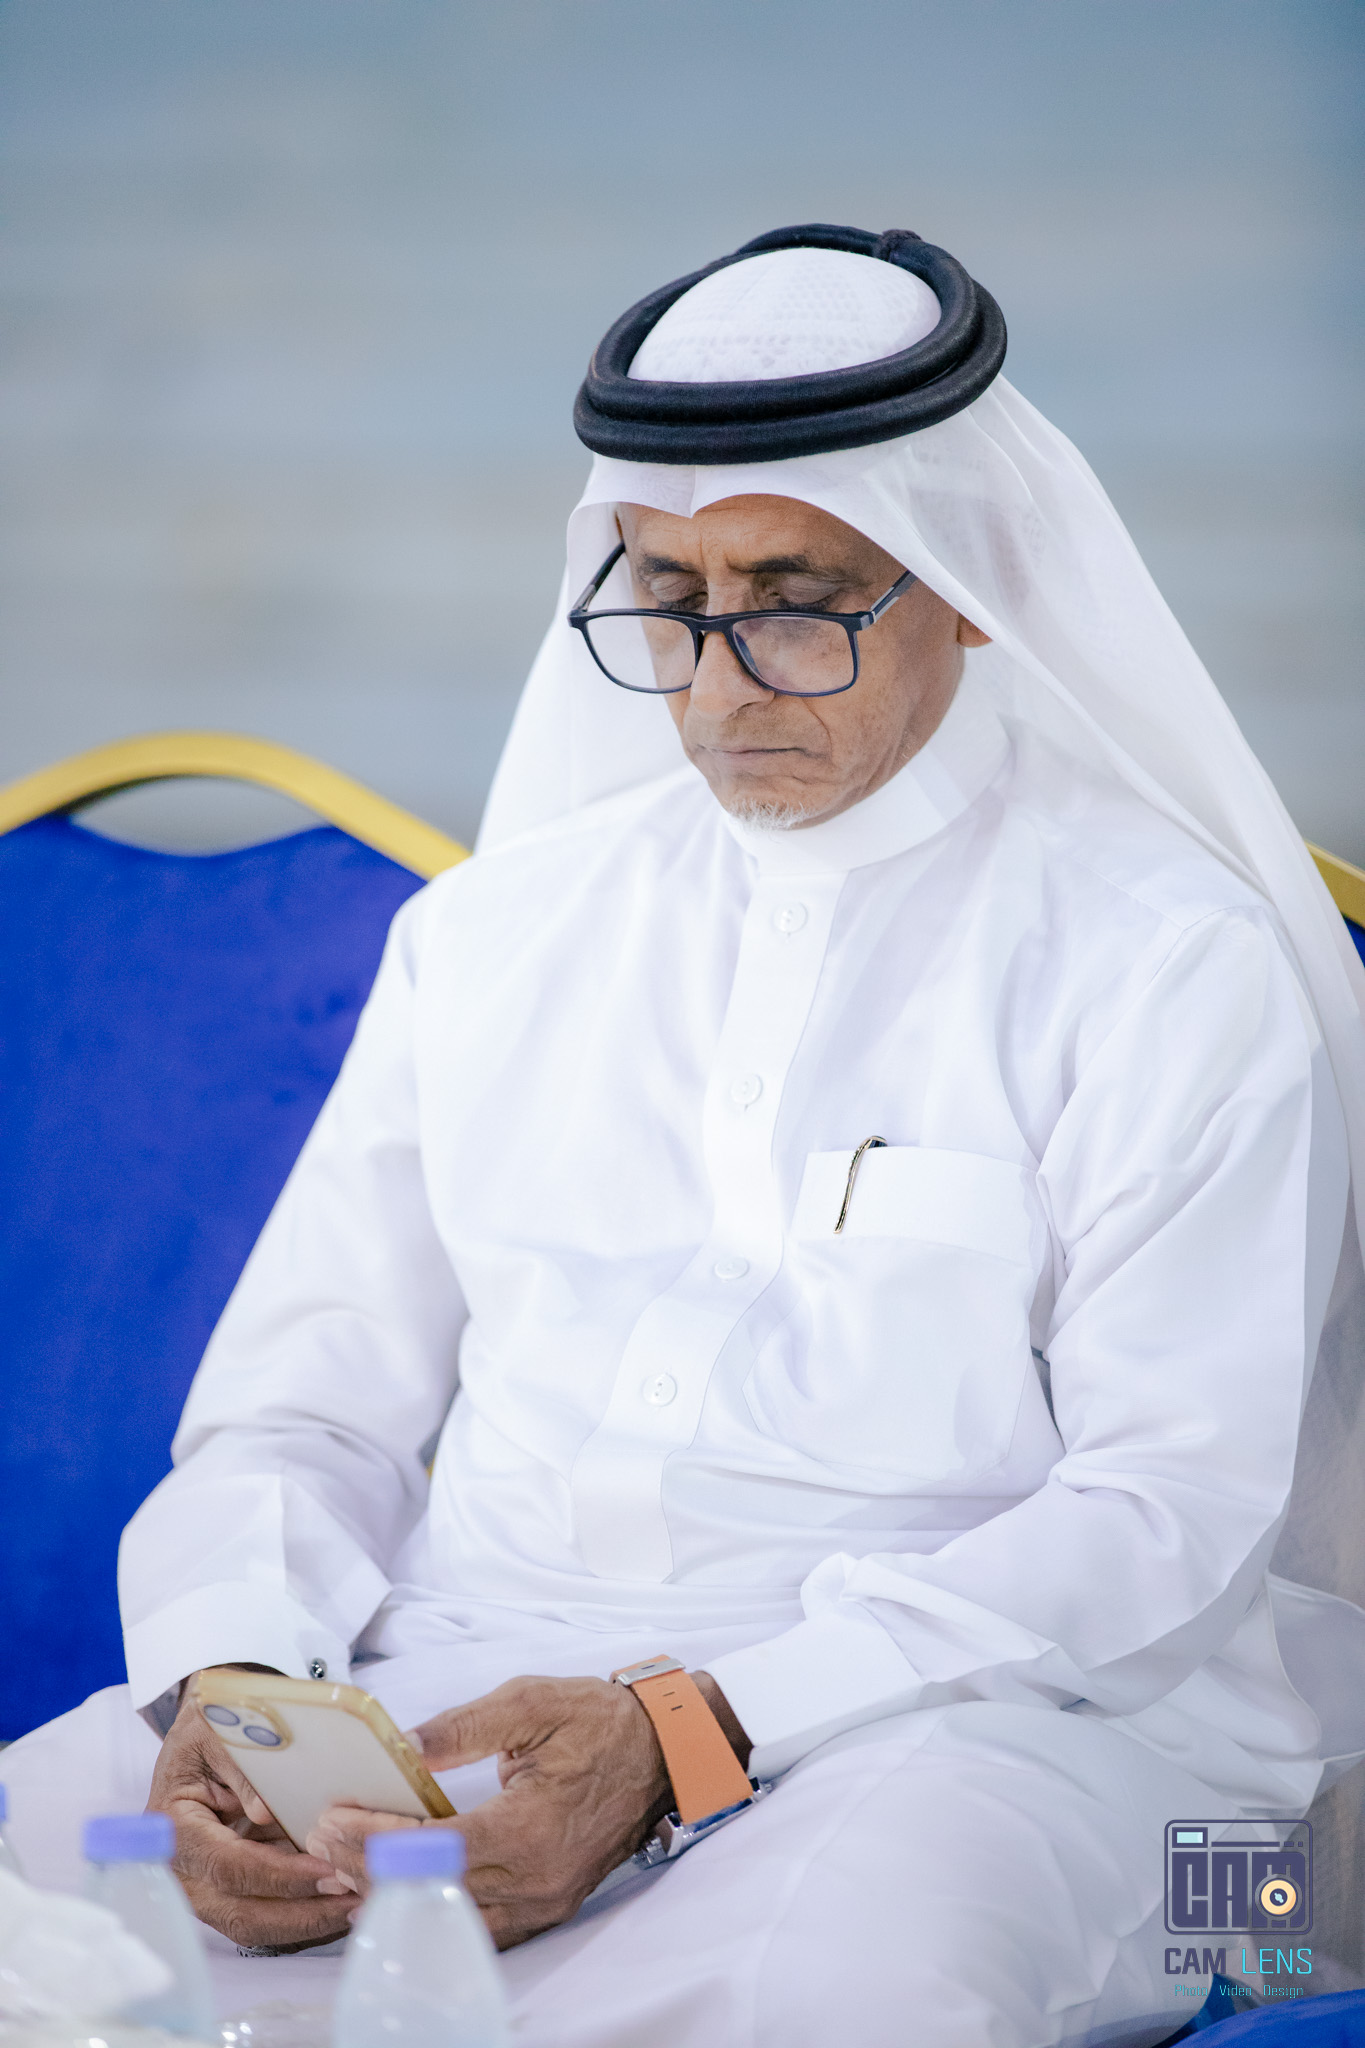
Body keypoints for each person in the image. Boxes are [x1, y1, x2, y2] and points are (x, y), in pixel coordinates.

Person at [7, 224, 1365, 2047]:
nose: (721, 691)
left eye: (797, 602)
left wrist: (682, 1736)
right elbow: (302, 1415)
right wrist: (233, 1692)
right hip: (450, 1696)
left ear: (974, 582)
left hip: (999, 1730)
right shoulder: (491, 938)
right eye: (668, 601)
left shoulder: (1164, 961)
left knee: (863, 1977)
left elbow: (1162, 1518)